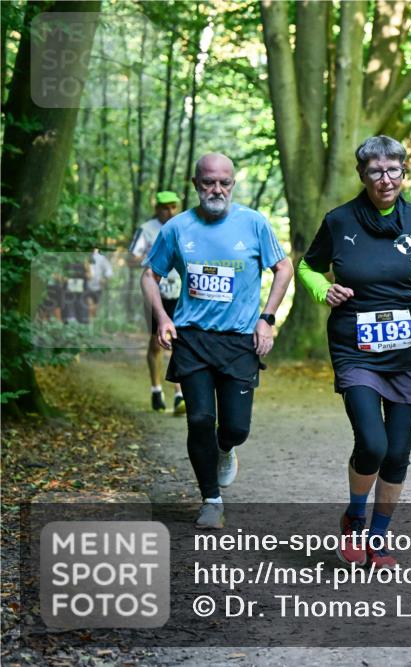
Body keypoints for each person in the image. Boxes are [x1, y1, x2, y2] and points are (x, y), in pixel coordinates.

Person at [299, 135, 411, 568]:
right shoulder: (339, 220)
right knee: (372, 443)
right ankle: (354, 518)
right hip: (356, 348)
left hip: (407, 352)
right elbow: (307, 266)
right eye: (375, 172)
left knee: (398, 452)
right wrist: (322, 290)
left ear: (405, 172)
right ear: (362, 175)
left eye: (393, 171)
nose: (385, 180)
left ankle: (380, 538)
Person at [141, 153, 293, 529]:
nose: (217, 189)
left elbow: (284, 267)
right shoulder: (177, 228)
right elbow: (149, 276)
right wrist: (163, 317)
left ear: (233, 185)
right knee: (199, 419)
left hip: (241, 339)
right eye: (209, 182)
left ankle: (225, 449)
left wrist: (267, 319)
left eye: (224, 182)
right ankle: (211, 498)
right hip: (193, 338)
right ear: (195, 184)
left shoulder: (254, 223)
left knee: (236, 428)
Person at [129, 191, 185, 413]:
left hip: (180, 291)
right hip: (155, 293)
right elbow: (132, 257)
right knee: (156, 342)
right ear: (157, 208)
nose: (169, 211)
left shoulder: (184, 226)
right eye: (164, 207)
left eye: (173, 207)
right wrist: (153, 256)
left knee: (179, 343)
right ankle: (156, 390)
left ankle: (180, 395)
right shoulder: (146, 229)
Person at [86, 248, 113, 323]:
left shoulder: (101, 258)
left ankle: (94, 324)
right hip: (86, 285)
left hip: (98, 286)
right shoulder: (84, 257)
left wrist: (105, 279)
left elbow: (109, 271)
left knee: (95, 307)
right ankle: (89, 325)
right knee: (89, 305)